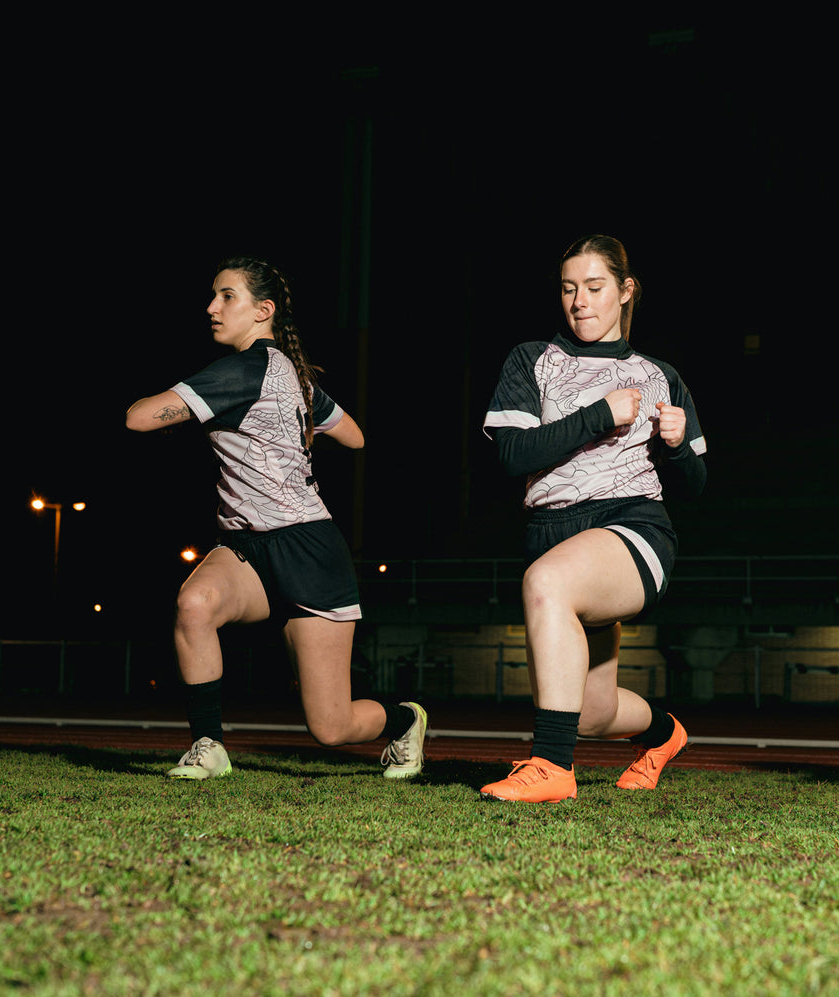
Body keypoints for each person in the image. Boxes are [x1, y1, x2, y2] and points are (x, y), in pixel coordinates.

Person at [126, 257, 426, 781]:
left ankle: (406, 719)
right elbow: (353, 434)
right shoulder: (294, 374)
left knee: (330, 727)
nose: (211, 307)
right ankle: (209, 745)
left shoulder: (241, 371)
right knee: (194, 604)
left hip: (307, 550)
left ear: (262, 311)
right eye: (213, 296)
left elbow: (138, 417)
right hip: (245, 546)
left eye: (226, 297)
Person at [480, 235, 706, 803]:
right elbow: (511, 454)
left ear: (626, 291)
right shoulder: (531, 359)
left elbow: (695, 485)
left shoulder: (660, 375)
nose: (580, 301)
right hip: (553, 534)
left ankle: (552, 768)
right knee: (590, 711)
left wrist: (677, 446)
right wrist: (598, 415)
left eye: (595, 287)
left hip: (633, 531)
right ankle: (663, 735)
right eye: (569, 288)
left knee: (548, 582)